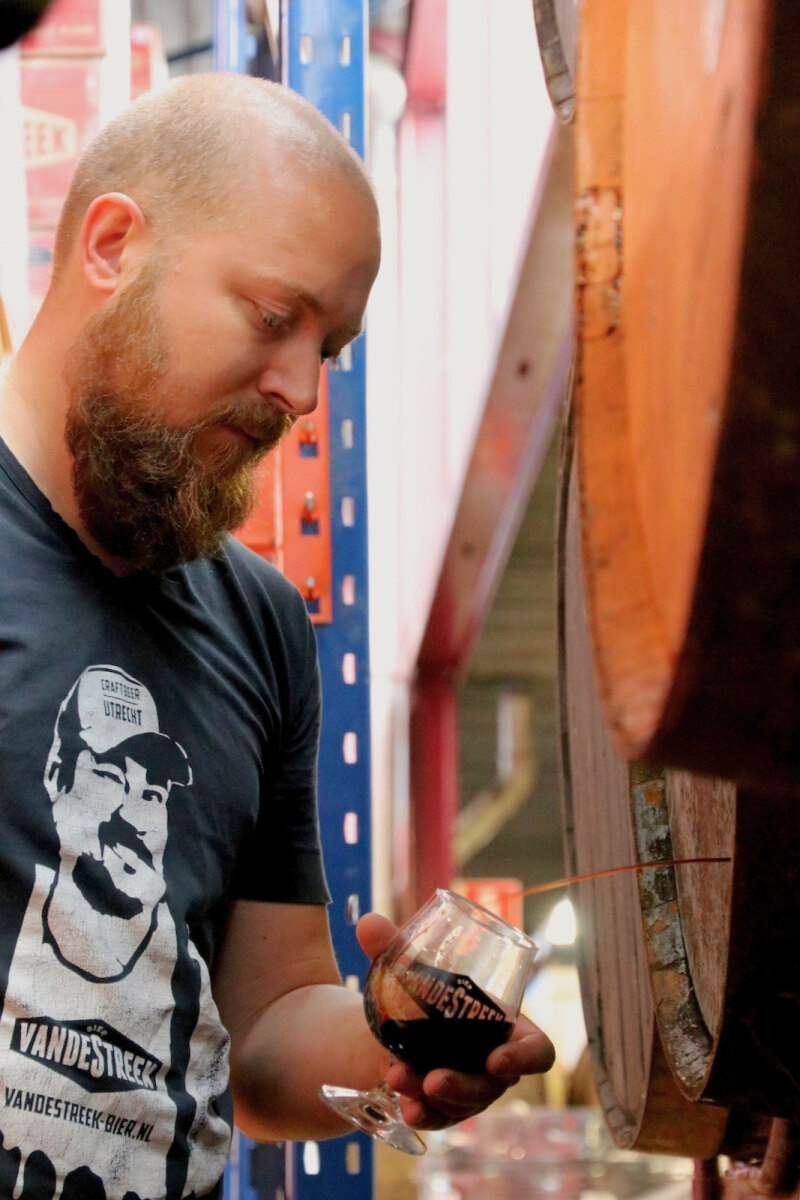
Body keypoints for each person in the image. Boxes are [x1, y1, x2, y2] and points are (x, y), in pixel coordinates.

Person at [0, 72, 555, 1200]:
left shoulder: (257, 624)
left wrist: (398, 1042)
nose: (303, 390)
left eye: (332, 348)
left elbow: (256, 1040)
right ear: (112, 245)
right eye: (272, 318)